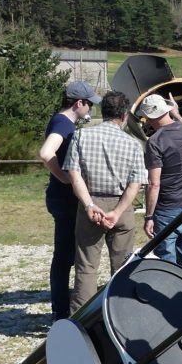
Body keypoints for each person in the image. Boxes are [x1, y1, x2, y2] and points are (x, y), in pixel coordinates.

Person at [63, 90, 148, 314]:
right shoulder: (133, 144)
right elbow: (136, 183)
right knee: (122, 268)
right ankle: (123, 316)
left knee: (86, 267)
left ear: (103, 111)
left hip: (91, 204)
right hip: (122, 206)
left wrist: (89, 205)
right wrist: (118, 212)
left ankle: (81, 321)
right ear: (124, 115)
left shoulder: (81, 136)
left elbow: (73, 174)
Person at [38, 80, 100, 322]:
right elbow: (45, 153)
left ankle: (63, 308)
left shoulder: (61, 122)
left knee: (67, 255)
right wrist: (65, 177)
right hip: (64, 199)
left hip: (62, 198)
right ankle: (61, 311)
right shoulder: (63, 123)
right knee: (64, 257)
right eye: (89, 105)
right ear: (79, 103)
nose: (91, 110)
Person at [140, 93, 182, 278]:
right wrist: (177, 113)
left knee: (167, 261)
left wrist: (149, 216)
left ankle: (166, 302)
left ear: (149, 117)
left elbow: (154, 183)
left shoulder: (155, 141)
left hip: (167, 209)